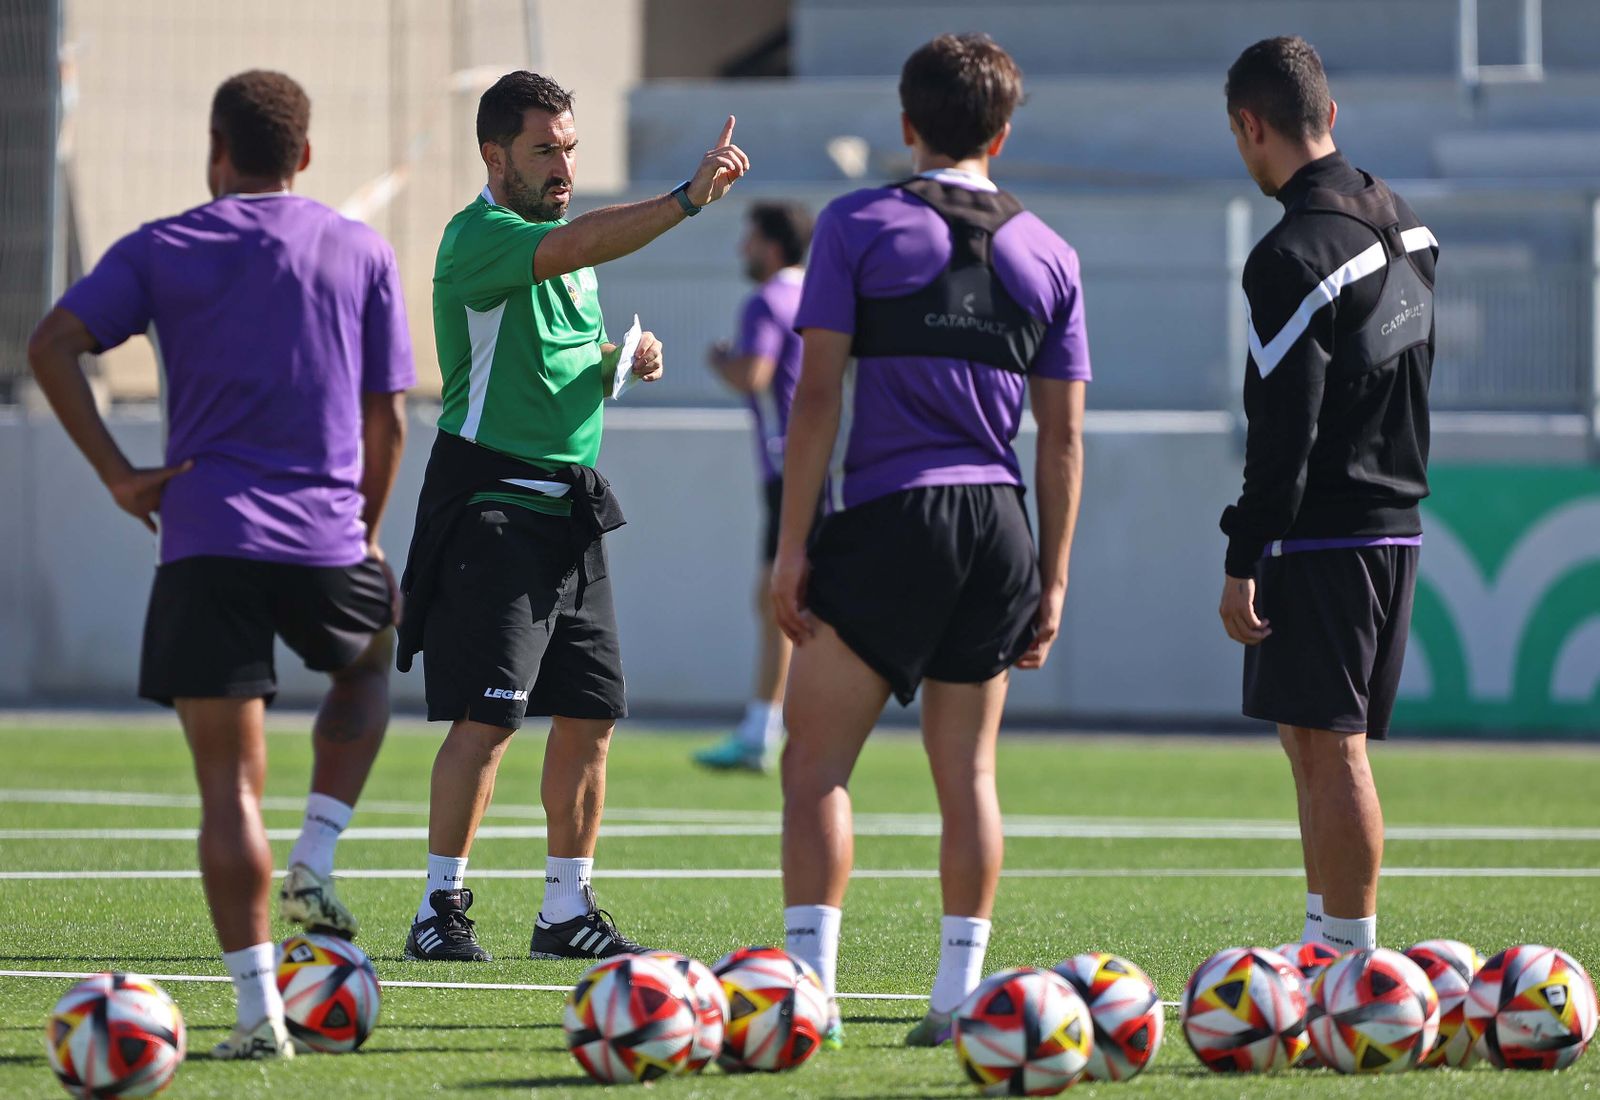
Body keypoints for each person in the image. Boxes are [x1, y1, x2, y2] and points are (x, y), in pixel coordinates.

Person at [26, 70, 413, 1059]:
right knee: (370, 661)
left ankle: (257, 1015)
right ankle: (316, 850)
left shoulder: (164, 245)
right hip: (329, 536)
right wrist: (366, 523)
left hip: (205, 536)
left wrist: (119, 475)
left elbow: (53, 343)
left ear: (216, 148)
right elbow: (389, 415)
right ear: (307, 153)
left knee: (228, 788)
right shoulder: (362, 247)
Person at [771, 33, 1090, 1049]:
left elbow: (817, 395)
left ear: (906, 125)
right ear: (1001, 132)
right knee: (972, 776)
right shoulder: (1051, 251)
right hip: (998, 524)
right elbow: (1063, 437)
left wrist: (789, 547)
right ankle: (956, 996)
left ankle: (810, 989)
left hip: (893, 514)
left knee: (816, 765)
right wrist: (1052, 575)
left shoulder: (857, 222)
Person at [397, 71, 749, 963]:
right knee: (489, 719)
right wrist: (686, 199)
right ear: (495, 156)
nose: (563, 165)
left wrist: (619, 360)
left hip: (570, 513)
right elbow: (584, 241)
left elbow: (558, 357)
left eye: (570, 148)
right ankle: (438, 909)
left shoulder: (564, 252)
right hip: (492, 511)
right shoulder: (478, 236)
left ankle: (565, 911)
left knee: (591, 717)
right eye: (545, 149)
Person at [1216, 36, 1436, 952]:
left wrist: (1243, 555)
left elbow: (1285, 432)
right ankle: (1328, 953)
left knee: (1329, 746)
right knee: (1313, 742)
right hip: (1395, 522)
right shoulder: (1408, 221)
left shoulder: (1291, 254)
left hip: (1326, 533)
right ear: (1330, 115)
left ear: (1249, 126)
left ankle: (1350, 966)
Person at [693, 201, 812, 773]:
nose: (742, 250)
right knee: (781, 597)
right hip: (824, 465)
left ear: (771, 245)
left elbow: (755, 373)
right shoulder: (815, 296)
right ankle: (765, 725)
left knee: (780, 598)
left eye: (750, 239)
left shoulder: (767, 301)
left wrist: (721, 361)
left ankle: (768, 728)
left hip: (789, 470)